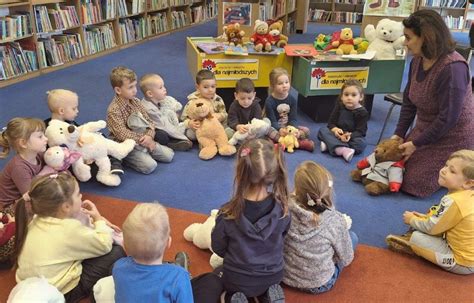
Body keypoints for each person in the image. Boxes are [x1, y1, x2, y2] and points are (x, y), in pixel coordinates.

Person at [392, 10, 474, 197]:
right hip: (426, 129)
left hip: (453, 136)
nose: (405, 43)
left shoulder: (452, 68)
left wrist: (415, 143)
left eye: (408, 38)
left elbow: (448, 119)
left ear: (426, 38)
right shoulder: (417, 61)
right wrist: (399, 133)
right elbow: (409, 103)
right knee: (393, 164)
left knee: (413, 182)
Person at [14, 172, 125, 302]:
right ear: (66, 207)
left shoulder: (36, 219)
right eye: (78, 194)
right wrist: (98, 219)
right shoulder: (69, 229)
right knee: (116, 251)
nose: (81, 196)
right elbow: (104, 244)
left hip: (28, 285)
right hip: (61, 292)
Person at [211, 138, 290, 302]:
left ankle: (234, 296)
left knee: (217, 273)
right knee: (264, 281)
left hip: (238, 279)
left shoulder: (227, 213)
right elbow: (283, 238)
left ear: (240, 172)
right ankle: (267, 295)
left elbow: (218, 247)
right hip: (273, 276)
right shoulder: (284, 211)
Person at [113, 202, 223, 303]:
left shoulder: (118, 266)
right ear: (168, 242)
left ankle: (169, 269)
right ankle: (174, 269)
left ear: (124, 245)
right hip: (176, 278)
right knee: (212, 281)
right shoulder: (178, 276)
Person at [386, 150, 474, 275]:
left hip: (460, 262)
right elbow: (446, 220)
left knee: (417, 237)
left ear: (468, 183)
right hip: (467, 256)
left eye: (452, 171)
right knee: (426, 217)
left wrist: (411, 220)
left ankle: (411, 244)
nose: (443, 170)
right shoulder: (467, 195)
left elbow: (432, 228)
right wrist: (422, 218)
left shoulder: (453, 200)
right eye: (446, 165)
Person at [283, 161, 357, 293]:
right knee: (353, 237)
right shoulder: (335, 220)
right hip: (318, 284)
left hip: (285, 276)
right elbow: (347, 259)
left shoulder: (283, 209)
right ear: (326, 190)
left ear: (297, 189)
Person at [106, 66, 174, 175]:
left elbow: (149, 122)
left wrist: (149, 136)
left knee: (169, 156)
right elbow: (121, 134)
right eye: (130, 87)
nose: (135, 90)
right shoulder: (113, 110)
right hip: (127, 144)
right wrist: (145, 140)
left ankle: (146, 151)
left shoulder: (136, 102)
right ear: (118, 90)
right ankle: (124, 158)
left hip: (144, 139)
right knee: (150, 166)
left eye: (135, 86)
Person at [44, 88, 125, 175]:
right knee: (94, 169)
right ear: (61, 111)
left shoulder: (70, 123)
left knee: (100, 136)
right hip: (75, 159)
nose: (77, 111)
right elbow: (59, 153)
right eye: (74, 109)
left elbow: (82, 132)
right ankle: (112, 161)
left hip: (86, 150)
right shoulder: (50, 130)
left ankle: (114, 160)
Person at [0, 117, 47, 214]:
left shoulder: (38, 155)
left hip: (26, 195)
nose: (46, 139)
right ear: (24, 143)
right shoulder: (19, 168)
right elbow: (31, 196)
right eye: (40, 136)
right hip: (12, 206)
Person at [264, 67, 314, 152]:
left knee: (306, 130)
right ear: (272, 85)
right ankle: (300, 144)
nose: (284, 85)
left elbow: (293, 119)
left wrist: (293, 130)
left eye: (286, 82)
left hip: (288, 127)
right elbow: (272, 121)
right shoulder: (269, 101)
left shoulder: (292, 99)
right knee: (267, 131)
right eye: (280, 83)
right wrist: (280, 130)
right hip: (276, 128)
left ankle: (282, 144)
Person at [317, 79, 368, 162]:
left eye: (353, 95)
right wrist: (335, 130)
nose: (349, 98)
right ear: (342, 96)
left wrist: (349, 136)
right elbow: (331, 123)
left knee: (361, 143)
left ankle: (331, 145)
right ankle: (342, 149)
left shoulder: (362, 112)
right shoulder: (339, 106)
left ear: (361, 97)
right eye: (346, 95)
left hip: (351, 137)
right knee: (322, 130)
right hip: (337, 135)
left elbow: (361, 132)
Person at [138, 74, 193, 151]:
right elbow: (165, 126)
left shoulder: (155, 100)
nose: (165, 89)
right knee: (161, 135)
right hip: (150, 131)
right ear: (150, 94)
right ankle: (170, 144)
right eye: (161, 88)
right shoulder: (150, 110)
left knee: (174, 118)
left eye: (163, 86)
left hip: (160, 124)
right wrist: (183, 137)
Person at [181, 69, 234, 140]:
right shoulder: (192, 101)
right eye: (206, 87)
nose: (210, 90)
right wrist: (190, 123)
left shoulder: (218, 100)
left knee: (229, 133)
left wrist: (220, 116)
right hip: (200, 129)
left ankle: (215, 138)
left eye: (213, 86)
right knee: (190, 134)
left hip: (215, 127)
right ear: (197, 87)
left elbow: (225, 114)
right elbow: (184, 118)